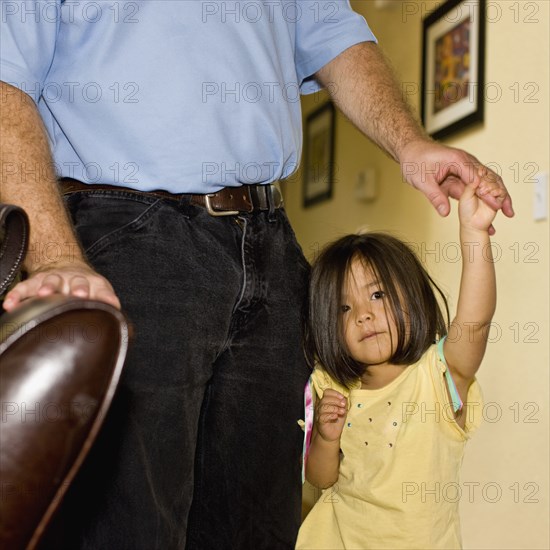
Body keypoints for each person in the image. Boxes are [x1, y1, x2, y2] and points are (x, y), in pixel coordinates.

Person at [1, 2, 512, 549]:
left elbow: (334, 35)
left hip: (271, 243)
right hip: (124, 236)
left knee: (258, 524)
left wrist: (411, 144)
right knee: (126, 522)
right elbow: (7, 81)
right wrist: (56, 256)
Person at [296, 177, 502, 549]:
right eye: (344, 307)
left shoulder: (437, 380)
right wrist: (327, 438)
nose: (363, 315)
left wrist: (474, 233)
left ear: (413, 295)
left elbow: (475, 324)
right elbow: (320, 479)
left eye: (377, 294)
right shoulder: (330, 386)